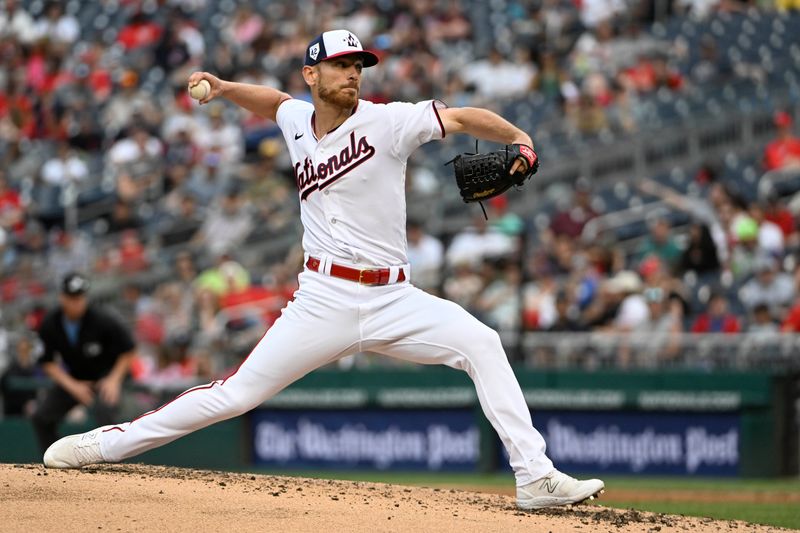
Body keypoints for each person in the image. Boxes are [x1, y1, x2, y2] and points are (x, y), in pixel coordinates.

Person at [43, 30, 603, 510]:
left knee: (482, 342)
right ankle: (108, 444)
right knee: (235, 395)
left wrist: (520, 139)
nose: (353, 73)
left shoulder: (391, 122)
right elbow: (273, 103)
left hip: (395, 298)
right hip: (323, 298)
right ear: (313, 74)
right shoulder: (296, 119)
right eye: (341, 65)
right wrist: (224, 88)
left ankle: (534, 476)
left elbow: (458, 116)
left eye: (358, 65)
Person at [32, 272, 136, 453]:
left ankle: (112, 470)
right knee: (41, 417)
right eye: (72, 298)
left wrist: (114, 379)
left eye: (80, 298)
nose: (76, 303)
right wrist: (73, 386)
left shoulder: (102, 319)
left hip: (105, 376)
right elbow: (47, 362)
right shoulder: (51, 322)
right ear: (62, 297)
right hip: (76, 378)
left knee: (108, 418)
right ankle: (54, 460)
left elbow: (128, 349)